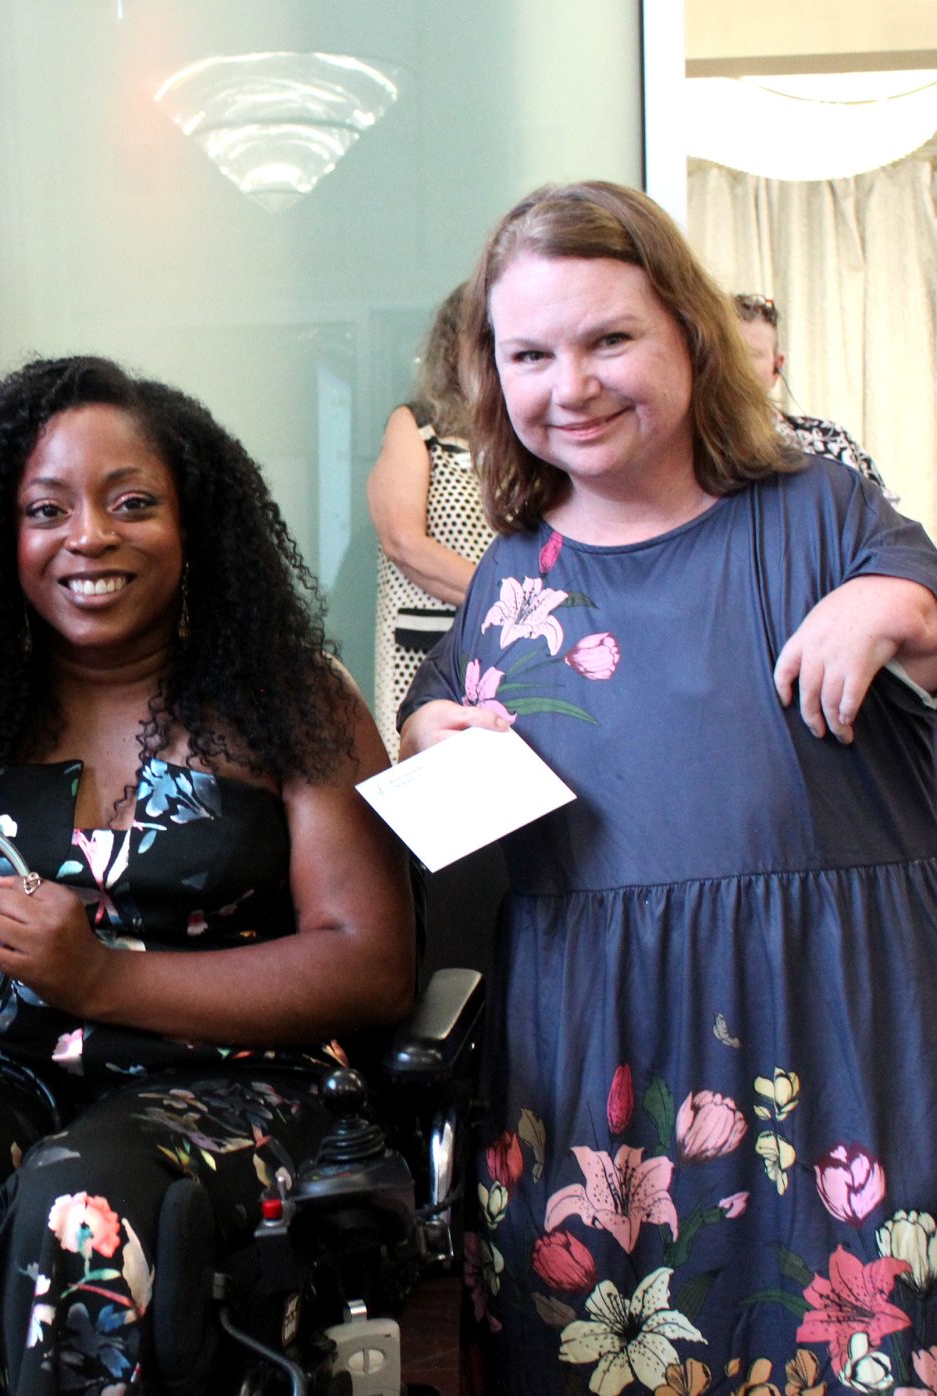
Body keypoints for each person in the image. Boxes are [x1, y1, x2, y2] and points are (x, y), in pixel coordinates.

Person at [0, 356, 416, 1394]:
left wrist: (104, 980)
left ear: (196, 526)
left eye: (133, 503)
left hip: (236, 1087)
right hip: (4, 1078)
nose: (89, 537)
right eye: (45, 510)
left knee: (80, 1196)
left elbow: (368, 963)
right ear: (0, 542)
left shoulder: (290, 703)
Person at [402, 183, 937, 1393]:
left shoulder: (823, 512)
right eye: (530, 353)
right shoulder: (510, 574)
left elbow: (926, 621)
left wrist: (895, 604)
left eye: (609, 340)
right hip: (600, 1047)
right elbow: (432, 711)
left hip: (831, 1029)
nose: (571, 384)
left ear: (691, 338)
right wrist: (435, 728)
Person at [368, 284, 495, 755]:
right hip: (422, 645)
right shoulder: (417, 423)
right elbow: (403, 542)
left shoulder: (526, 430)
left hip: (503, 646)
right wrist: (505, 599)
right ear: (453, 343)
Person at [733, 291, 893, 496]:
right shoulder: (690, 455)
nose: (739, 365)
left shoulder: (832, 441)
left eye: (754, 354)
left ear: (777, 367)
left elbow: (881, 521)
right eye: (730, 352)